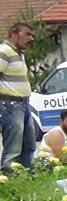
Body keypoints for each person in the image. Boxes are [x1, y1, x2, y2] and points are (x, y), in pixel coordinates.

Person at [0, 22, 35, 170]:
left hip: (24, 103)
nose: (31, 38)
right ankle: (8, 178)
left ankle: (25, 176)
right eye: (27, 34)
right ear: (14, 34)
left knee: (29, 143)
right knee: (13, 147)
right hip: (10, 104)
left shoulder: (19, 54)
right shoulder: (4, 51)